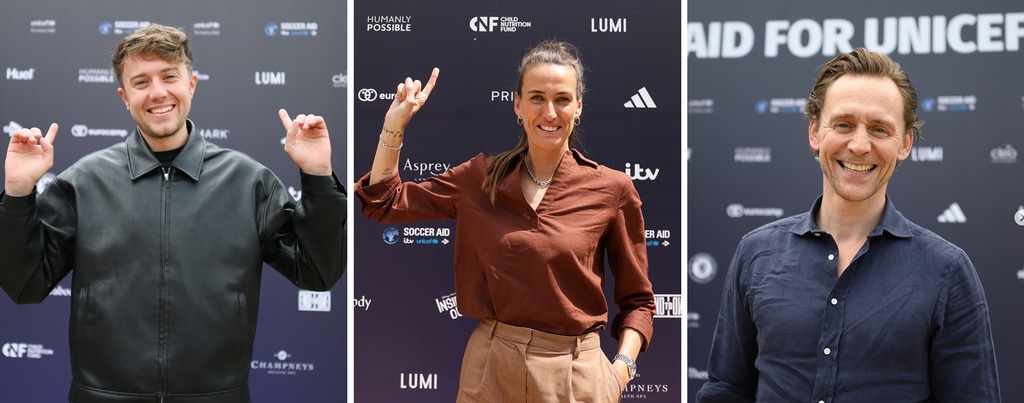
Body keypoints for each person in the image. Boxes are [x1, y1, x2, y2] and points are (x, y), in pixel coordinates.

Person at [0, 24, 346, 402]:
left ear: (192, 83)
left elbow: (317, 272)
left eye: (169, 76)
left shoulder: (249, 182)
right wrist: (18, 192)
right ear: (124, 96)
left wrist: (318, 177)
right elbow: (25, 285)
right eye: (141, 82)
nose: (158, 92)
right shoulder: (83, 182)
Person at [355, 40, 655, 402]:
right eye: (536, 98)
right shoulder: (481, 177)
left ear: (578, 106)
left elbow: (638, 300)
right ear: (517, 104)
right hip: (491, 369)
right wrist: (394, 125)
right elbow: (384, 201)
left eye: (562, 99)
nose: (549, 112)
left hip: (577, 375)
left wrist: (621, 369)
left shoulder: (612, 189)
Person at [695, 48, 1000, 402]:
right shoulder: (756, 252)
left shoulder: (947, 270)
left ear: (905, 144)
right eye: (843, 125)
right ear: (814, 132)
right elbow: (727, 389)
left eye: (879, 128)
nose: (859, 145)